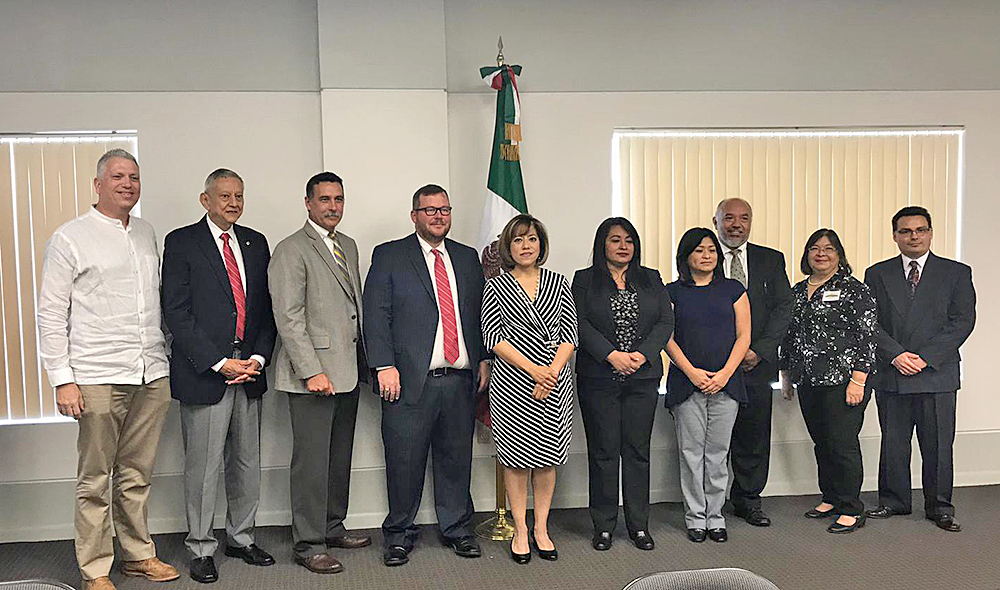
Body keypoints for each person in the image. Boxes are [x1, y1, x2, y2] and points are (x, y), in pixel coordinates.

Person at [36, 149, 179, 590]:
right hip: (96, 375)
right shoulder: (71, 237)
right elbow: (50, 312)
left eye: (134, 177)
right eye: (117, 176)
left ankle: (137, 555)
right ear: (98, 184)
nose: (127, 184)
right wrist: (63, 379)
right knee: (95, 478)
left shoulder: (146, 233)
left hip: (150, 372)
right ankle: (96, 568)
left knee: (137, 475)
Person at [363, 184, 490, 567]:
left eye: (445, 210)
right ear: (414, 215)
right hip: (407, 382)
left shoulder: (467, 258)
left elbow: (480, 314)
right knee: (404, 462)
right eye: (430, 210)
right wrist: (384, 365)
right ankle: (399, 535)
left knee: (455, 461)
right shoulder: (389, 255)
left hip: (459, 380)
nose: (438, 216)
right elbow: (376, 314)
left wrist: (483, 358)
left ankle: (457, 530)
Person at [161, 169, 277, 583]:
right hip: (206, 374)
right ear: (204, 199)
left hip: (249, 372)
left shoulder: (256, 242)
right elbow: (176, 311)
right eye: (224, 195)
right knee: (204, 467)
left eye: (239, 196)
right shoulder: (181, 242)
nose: (233, 203)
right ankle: (201, 546)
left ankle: (241, 538)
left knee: (247, 463)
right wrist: (217, 362)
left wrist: (258, 359)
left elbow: (266, 310)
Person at [268, 172, 371, 575]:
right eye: (324, 199)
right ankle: (308, 543)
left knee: (337, 457)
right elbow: (289, 318)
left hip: (347, 371)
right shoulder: (291, 249)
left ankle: (331, 526)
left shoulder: (348, 245)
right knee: (311, 462)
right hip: (313, 377)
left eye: (339, 199)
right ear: (308, 203)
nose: (333, 206)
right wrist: (311, 371)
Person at [863, 206, 976, 532]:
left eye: (920, 230)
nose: (913, 236)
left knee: (938, 446)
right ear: (895, 235)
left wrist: (925, 357)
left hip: (936, 374)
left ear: (930, 232)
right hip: (892, 371)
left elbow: (962, 321)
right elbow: (869, 322)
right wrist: (896, 355)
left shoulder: (956, 272)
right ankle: (894, 501)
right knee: (894, 442)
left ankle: (940, 506)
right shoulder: (877, 273)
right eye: (906, 231)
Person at [481, 215, 578, 565]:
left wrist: (551, 371)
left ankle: (542, 528)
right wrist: (535, 370)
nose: (526, 246)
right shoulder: (495, 285)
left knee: (548, 460)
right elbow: (492, 337)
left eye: (532, 239)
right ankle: (520, 530)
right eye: (519, 240)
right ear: (508, 247)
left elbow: (571, 333)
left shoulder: (559, 282)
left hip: (554, 380)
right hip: (513, 381)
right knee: (517, 460)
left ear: (541, 245)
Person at [572, 217, 673, 551]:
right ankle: (603, 526)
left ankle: (638, 525)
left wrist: (642, 355)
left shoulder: (650, 278)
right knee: (603, 452)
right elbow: (578, 322)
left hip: (642, 378)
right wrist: (610, 355)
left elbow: (664, 320)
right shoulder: (585, 280)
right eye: (615, 240)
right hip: (599, 378)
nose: (623, 246)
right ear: (603, 244)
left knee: (637, 452)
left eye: (629, 240)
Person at [779, 228, 878, 534]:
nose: (821, 253)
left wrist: (859, 379)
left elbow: (868, 336)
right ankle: (831, 497)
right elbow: (789, 335)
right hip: (808, 380)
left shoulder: (853, 289)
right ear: (807, 254)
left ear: (839, 255)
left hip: (844, 381)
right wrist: (785, 374)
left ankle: (851, 507)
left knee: (842, 444)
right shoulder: (796, 291)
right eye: (814, 248)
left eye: (829, 248)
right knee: (822, 442)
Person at [664, 228, 750, 544]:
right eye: (699, 250)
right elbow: (667, 337)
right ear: (686, 256)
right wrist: (692, 373)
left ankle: (716, 516)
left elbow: (744, 336)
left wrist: (726, 373)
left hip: (726, 383)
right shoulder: (671, 292)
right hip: (687, 383)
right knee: (690, 453)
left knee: (717, 453)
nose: (707, 255)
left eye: (712, 250)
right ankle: (695, 517)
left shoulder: (733, 290)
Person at [712, 198, 793, 527]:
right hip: (715, 366)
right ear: (715, 221)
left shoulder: (770, 260)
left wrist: (758, 350)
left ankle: (748, 500)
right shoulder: (702, 255)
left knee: (753, 435)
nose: (736, 224)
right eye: (728, 218)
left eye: (743, 218)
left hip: (756, 364)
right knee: (715, 438)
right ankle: (710, 502)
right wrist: (727, 356)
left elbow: (783, 309)